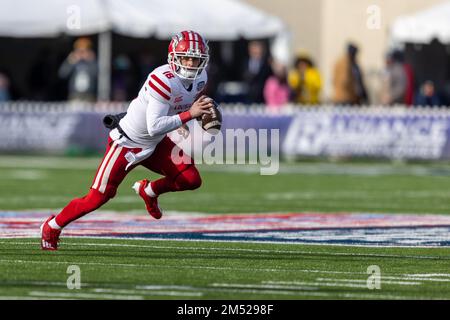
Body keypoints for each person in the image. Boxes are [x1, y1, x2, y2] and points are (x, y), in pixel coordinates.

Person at [41, 31, 214, 250]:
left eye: (195, 58)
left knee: (190, 179)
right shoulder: (163, 79)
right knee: (97, 197)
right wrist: (189, 115)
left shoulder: (200, 79)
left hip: (156, 142)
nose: (190, 63)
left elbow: (173, 108)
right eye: (185, 57)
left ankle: (149, 191)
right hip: (128, 142)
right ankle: (52, 226)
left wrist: (183, 121)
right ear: (174, 57)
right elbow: (155, 125)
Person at [58, 37, 98, 102]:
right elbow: (62, 74)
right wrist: (70, 61)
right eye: (79, 51)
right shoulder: (72, 61)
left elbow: (97, 74)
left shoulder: (92, 61)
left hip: (89, 95)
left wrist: (91, 60)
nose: (82, 53)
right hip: (74, 94)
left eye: (84, 50)